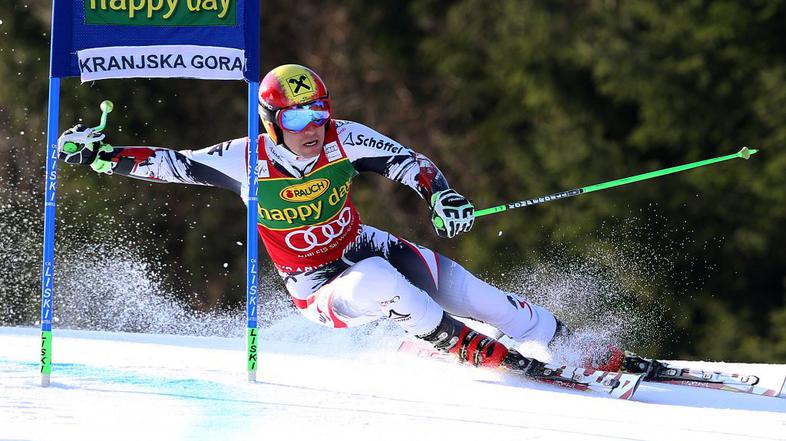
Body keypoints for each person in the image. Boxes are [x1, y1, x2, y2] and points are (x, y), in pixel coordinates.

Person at [58, 64, 623, 372]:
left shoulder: (341, 139)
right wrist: (101, 156)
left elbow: (410, 162)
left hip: (366, 245)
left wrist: (441, 195)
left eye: (319, 111)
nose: (313, 124)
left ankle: (569, 346)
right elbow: (172, 164)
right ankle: (465, 347)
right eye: (299, 114)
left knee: (477, 294)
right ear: (272, 119)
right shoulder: (245, 160)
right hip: (317, 289)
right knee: (382, 285)